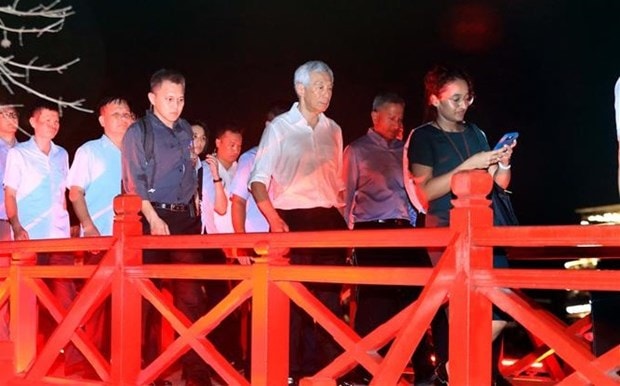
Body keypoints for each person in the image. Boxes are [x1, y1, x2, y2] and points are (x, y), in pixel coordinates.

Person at [407, 65, 516, 385]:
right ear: (434, 99)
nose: (462, 105)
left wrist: (503, 162)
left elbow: (498, 184)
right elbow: (424, 192)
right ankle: (464, 376)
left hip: (484, 229)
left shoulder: (476, 133)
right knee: (461, 313)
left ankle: (449, 372)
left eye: (467, 98)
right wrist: (468, 166)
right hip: (445, 228)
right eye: (455, 99)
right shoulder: (423, 136)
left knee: (504, 305)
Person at [250, 60, 348, 382]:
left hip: (329, 219)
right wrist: (274, 219)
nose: (326, 93)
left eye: (330, 87)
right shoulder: (279, 127)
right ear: (300, 88)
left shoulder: (334, 129)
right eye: (319, 86)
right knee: (294, 300)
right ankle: (289, 372)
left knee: (331, 302)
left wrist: (343, 219)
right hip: (292, 218)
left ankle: (329, 372)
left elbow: (337, 184)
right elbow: (258, 180)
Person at [121, 69, 211, 386]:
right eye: (169, 99)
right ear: (152, 98)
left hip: (185, 220)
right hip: (152, 218)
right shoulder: (139, 131)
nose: (175, 105)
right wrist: (153, 217)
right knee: (145, 299)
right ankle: (142, 373)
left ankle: (196, 374)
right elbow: (135, 180)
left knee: (192, 299)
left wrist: (195, 206)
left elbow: (189, 172)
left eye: (180, 99)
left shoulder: (186, 129)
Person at [342, 92, 434, 384]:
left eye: (400, 118)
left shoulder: (405, 150)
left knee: (419, 301)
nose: (396, 123)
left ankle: (424, 369)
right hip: (373, 230)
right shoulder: (356, 150)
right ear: (375, 116)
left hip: (406, 229)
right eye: (391, 117)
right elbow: (344, 200)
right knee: (374, 305)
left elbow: (416, 194)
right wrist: (346, 243)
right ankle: (362, 369)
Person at [3, 103, 77, 372]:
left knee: (66, 297)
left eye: (56, 120)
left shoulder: (62, 155)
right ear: (33, 122)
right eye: (47, 119)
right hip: (29, 236)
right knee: (27, 300)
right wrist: (16, 225)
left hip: (57, 234)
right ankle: (25, 362)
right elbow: (10, 194)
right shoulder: (19, 154)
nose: (53, 125)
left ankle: (74, 360)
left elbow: (63, 195)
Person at [65, 96, 134, 375]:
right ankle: (85, 362)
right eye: (115, 114)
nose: (123, 118)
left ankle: (118, 362)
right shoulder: (89, 151)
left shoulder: (136, 152)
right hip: (100, 237)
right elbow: (75, 191)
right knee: (93, 305)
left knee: (126, 303)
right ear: (102, 120)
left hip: (130, 241)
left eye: (127, 114)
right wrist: (88, 226)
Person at [0, 101, 19, 341]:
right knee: (3, 279)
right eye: (3, 114)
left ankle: (20, 337)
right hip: (2, 222)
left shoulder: (27, 150)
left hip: (25, 224)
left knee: (24, 280)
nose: (9, 117)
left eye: (13, 113)